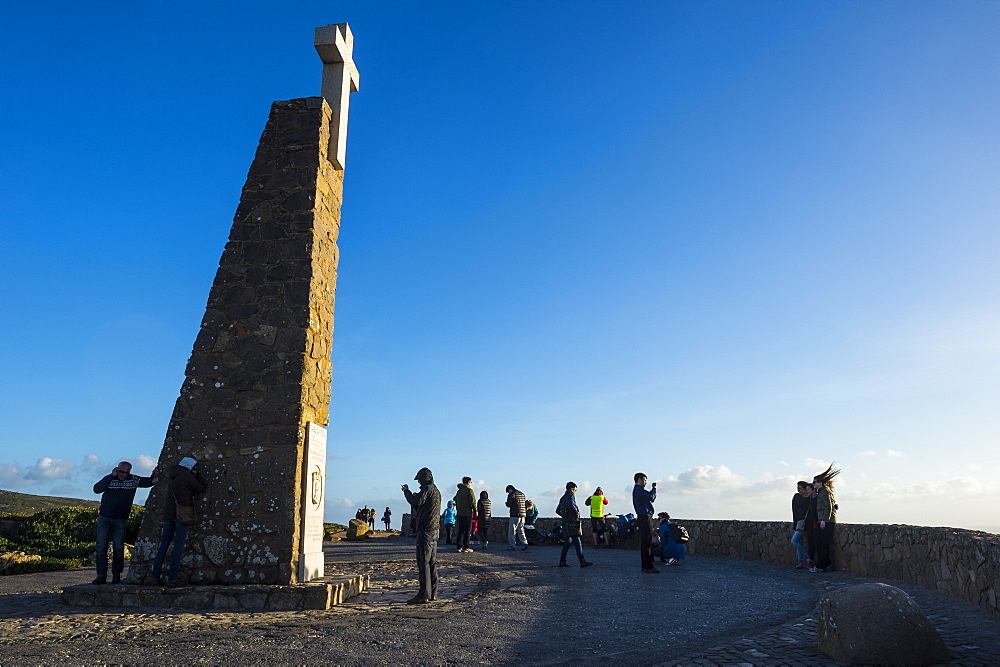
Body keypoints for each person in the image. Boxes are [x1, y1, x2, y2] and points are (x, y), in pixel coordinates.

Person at [92, 460, 157, 584]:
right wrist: (111, 476)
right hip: (105, 517)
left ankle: (116, 575)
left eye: (127, 473)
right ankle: (101, 575)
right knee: (101, 547)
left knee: (118, 547)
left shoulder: (133, 480)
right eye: (122, 472)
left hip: (121, 519)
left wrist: (154, 474)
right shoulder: (109, 479)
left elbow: (149, 482)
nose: (124, 475)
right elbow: (97, 489)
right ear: (117, 470)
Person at [150, 457, 206, 586]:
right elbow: (201, 488)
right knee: (178, 546)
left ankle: (154, 576)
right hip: (181, 516)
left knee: (164, 545)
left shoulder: (173, 475)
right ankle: (172, 578)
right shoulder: (186, 475)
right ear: (190, 466)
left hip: (168, 515)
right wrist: (197, 475)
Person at [402, 467, 441, 604]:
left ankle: (424, 594)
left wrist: (407, 492)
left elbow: (416, 502)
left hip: (426, 530)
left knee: (423, 562)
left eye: (419, 479)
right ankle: (432, 593)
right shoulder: (435, 490)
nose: (418, 482)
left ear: (423, 479)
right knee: (431, 563)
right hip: (434, 529)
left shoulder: (427, 489)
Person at [810, 464, 840, 573]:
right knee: (822, 543)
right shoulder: (823, 492)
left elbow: (828, 506)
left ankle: (822, 565)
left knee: (823, 544)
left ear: (820, 483)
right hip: (825, 520)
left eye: (814, 482)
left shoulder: (825, 492)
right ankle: (826, 564)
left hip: (827, 521)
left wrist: (824, 520)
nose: (813, 484)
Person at [556, 482, 594, 568]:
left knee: (567, 543)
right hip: (572, 523)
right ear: (572, 489)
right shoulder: (570, 496)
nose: (575, 491)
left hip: (565, 523)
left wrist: (564, 516)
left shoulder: (562, 498)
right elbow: (572, 505)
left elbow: (557, 510)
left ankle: (562, 561)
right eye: (575, 490)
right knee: (577, 542)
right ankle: (582, 561)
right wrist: (576, 513)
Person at [632, 472, 658, 573]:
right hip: (644, 517)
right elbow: (651, 497)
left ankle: (646, 565)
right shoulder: (638, 491)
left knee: (646, 542)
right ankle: (648, 566)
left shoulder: (639, 491)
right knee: (647, 542)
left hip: (644, 517)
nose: (645, 482)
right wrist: (654, 489)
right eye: (644, 480)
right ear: (639, 480)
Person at [791, 481, 813, 569]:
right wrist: (795, 523)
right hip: (798, 523)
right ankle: (800, 562)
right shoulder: (796, 497)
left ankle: (808, 558)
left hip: (806, 523)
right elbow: (794, 511)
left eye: (800, 488)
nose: (798, 490)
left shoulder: (810, 498)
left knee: (794, 540)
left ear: (805, 489)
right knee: (798, 542)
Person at [454, 477, 477, 553]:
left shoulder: (459, 491)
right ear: (468, 482)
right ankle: (466, 546)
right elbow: (473, 502)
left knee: (460, 530)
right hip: (467, 513)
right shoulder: (469, 491)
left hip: (460, 513)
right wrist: (475, 511)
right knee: (467, 530)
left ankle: (459, 546)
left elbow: (455, 499)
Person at [505, 485, 528, 550]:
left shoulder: (512, 494)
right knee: (521, 530)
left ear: (510, 489)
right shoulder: (522, 494)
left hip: (515, 515)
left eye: (508, 491)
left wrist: (506, 503)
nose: (508, 493)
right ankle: (525, 543)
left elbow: (509, 504)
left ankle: (512, 546)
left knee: (512, 532)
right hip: (523, 515)